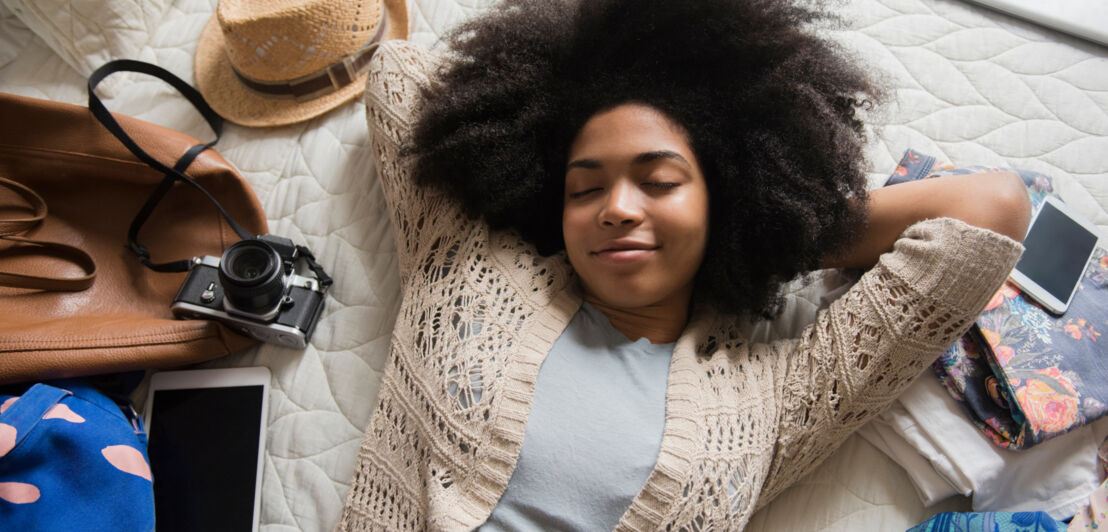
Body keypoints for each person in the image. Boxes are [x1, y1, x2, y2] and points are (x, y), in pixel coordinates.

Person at [339, 0, 1031, 529]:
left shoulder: (767, 403)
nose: (615, 206)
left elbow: (993, 208)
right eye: (584, 188)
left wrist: (763, 231)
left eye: (660, 182)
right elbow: (400, 76)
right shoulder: (473, 271)